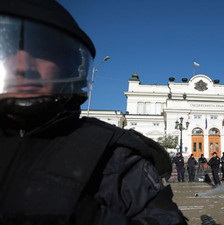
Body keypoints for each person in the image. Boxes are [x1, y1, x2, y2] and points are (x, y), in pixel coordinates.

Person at [0, 0, 187, 224]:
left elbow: (166, 218)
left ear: (68, 64)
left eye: (41, 50)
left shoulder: (112, 154)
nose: (22, 65)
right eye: (7, 48)